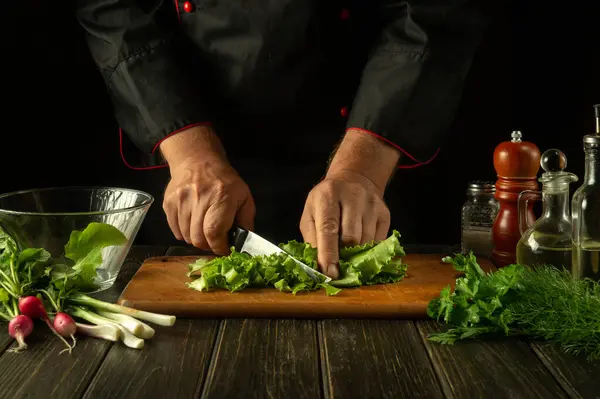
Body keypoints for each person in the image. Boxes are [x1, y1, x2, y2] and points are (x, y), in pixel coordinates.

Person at [76, 0, 492, 278]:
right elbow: (116, 8)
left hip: (373, 136)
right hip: (194, 157)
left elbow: (434, 12)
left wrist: (362, 170)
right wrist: (189, 151)